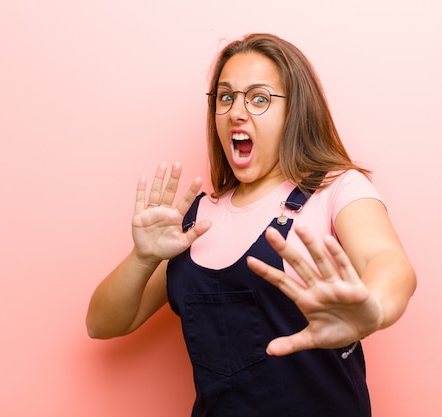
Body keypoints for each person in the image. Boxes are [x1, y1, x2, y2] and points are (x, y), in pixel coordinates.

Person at [86, 33, 416, 417]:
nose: (236, 112)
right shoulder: (193, 220)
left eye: (259, 98)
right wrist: (142, 258)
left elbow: (389, 262)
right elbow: (101, 324)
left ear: (295, 111)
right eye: (225, 97)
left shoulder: (336, 188)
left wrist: (373, 308)